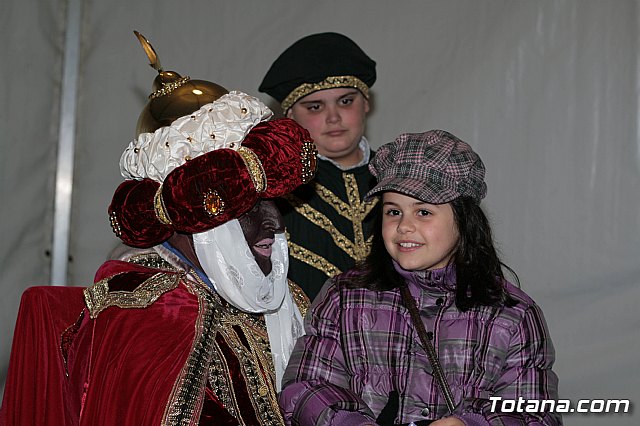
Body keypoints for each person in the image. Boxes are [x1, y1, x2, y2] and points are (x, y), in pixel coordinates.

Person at [0, 32, 317, 426]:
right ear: (200, 222)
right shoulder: (153, 310)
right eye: (248, 208)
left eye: (274, 203)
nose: (275, 222)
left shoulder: (287, 299)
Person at [279, 130, 561, 425]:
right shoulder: (344, 297)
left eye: (423, 212)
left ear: (464, 220)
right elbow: (307, 387)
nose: (404, 226)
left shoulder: (512, 314)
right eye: (393, 211)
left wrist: (471, 423)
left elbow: (535, 413)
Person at [258, 32, 379, 300]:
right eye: (315, 107)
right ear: (290, 116)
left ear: (366, 103)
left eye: (346, 101)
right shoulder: (272, 191)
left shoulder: (399, 177)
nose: (333, 117)